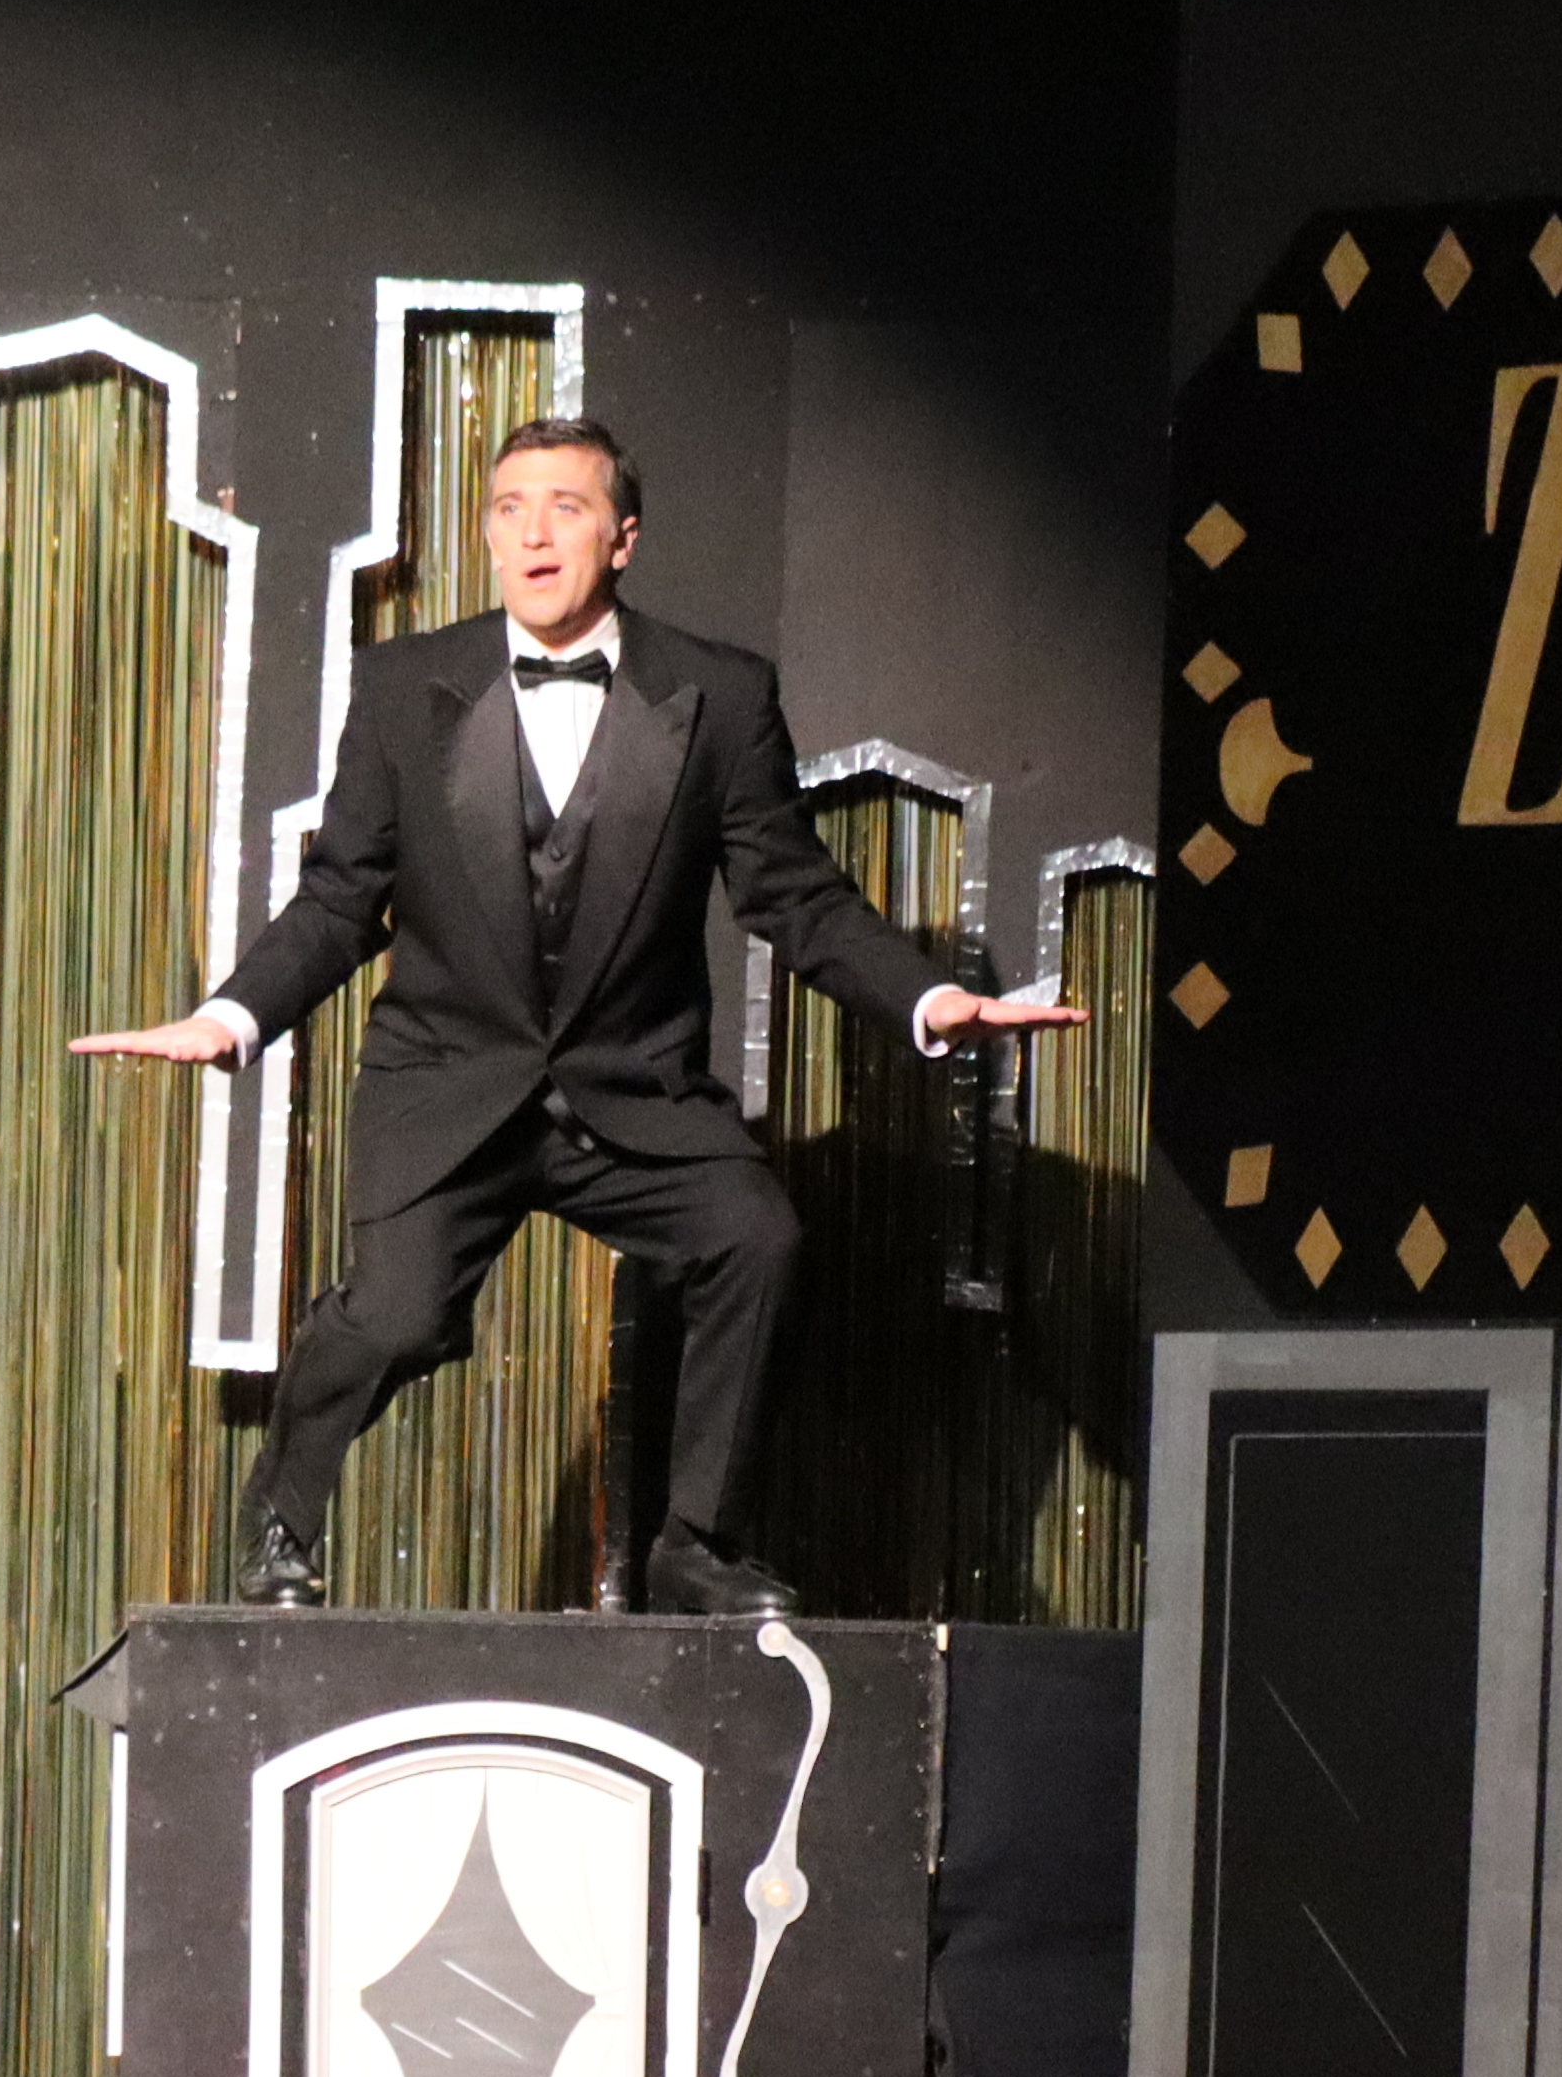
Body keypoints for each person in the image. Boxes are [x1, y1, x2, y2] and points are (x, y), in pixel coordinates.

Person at [72, 419, 1081, 1613]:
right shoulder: (403, 685)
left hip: (632, 1087)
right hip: (447, 1079)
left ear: (623, 537)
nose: (534, 531)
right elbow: (341, 899)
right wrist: (235, 1015)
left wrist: (925, 996)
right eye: (510, 508)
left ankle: (696, 1542)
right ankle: (280, 1514)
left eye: (566, 505)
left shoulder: (718, 693)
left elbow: (791, 895)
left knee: (755, 1240)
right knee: (396, 1317)